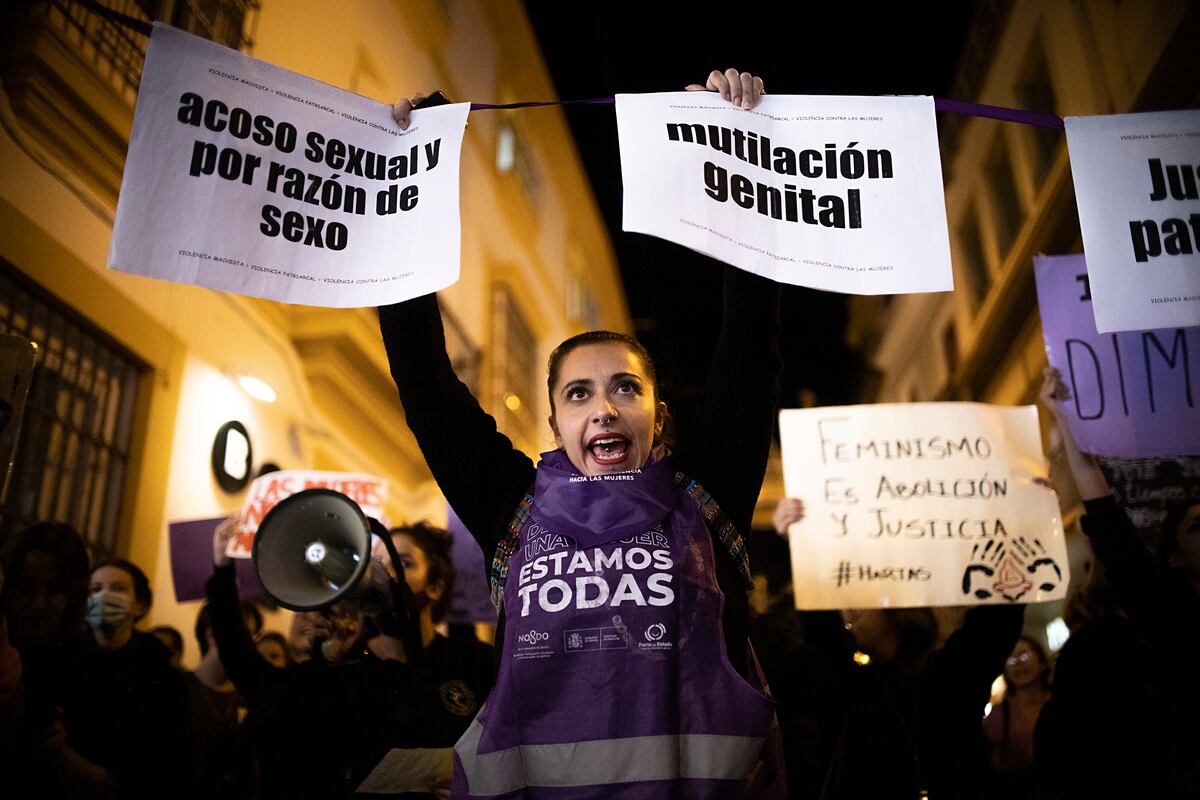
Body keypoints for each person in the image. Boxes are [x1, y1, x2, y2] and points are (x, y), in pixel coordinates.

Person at [386, 68, 782, 799]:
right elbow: (422, 381)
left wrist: (740, 145)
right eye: (579, 394)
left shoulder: (709, 496)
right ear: (556, 422)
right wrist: (413, 177)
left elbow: (748, 344)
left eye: (625, 388)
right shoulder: (516, 505)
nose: (603, 409)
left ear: (657, 417)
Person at [770, 498, 1024, 798]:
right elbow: (824, 638)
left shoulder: (951, 672)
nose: (850, 609)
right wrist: (802, 546)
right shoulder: (850, 684)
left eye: (862, 595)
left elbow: (994, 623)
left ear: (898, 607)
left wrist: (1020, 521)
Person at [1036, 366, 1200, 797]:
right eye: (1197, 528)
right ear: (1176, 559)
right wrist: (1064, 417)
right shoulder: (1169, 616)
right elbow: (1103, 508)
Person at [982, 636, 1052, 799]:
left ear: (1041, 662)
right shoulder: (998, 716)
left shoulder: (1059, 705)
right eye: (1011, 659)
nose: (1018, 663)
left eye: (1024, 656)